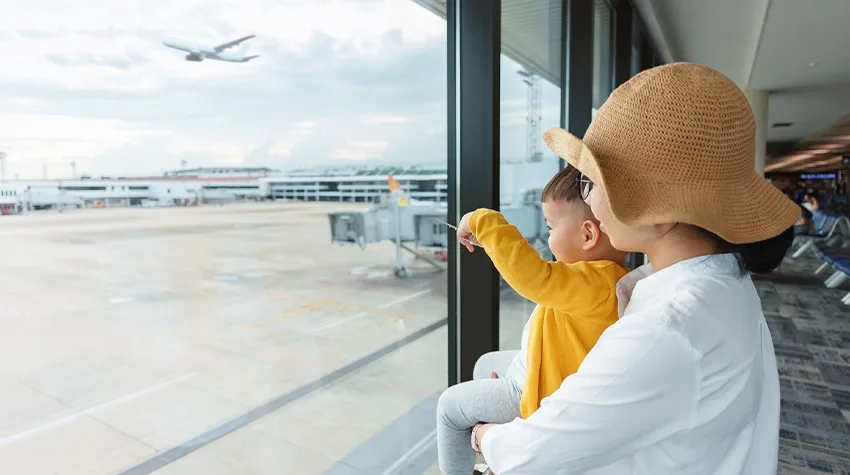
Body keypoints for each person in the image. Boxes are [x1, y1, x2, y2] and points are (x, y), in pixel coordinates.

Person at [470, 63, 800, 474]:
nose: (589, 201)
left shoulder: (667, 330)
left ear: (660, 211)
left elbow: (531, 454)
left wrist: (483, 435)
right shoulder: (723, 281)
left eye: (592, 183)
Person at [436, 165, 629, 475]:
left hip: (540, 392)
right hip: (541, 368)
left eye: (550, 228)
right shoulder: (604, 278)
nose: (547, 237)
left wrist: (480, 221)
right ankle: (498, 447)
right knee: (485, 365)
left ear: (588, 235)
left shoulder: (595, 284)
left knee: (450, 407)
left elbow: (533, 276)